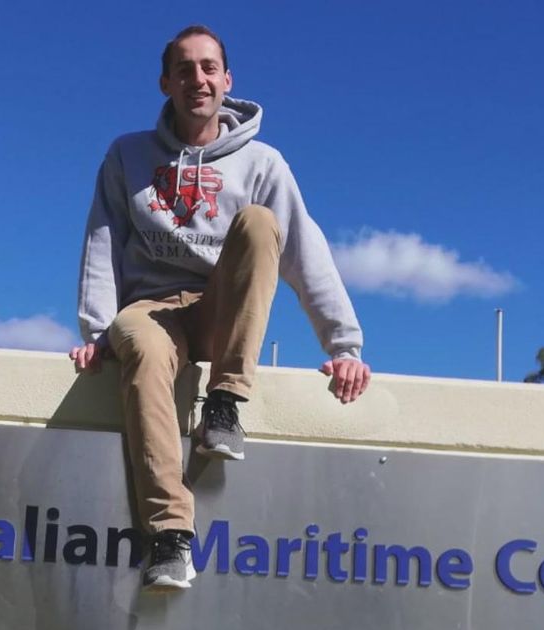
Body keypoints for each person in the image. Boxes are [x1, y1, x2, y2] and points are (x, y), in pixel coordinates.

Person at [71, 25, 371, 591]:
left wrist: (344, 346)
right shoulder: (127, 155)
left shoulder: (262, 163)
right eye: (184, 69)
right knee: (136, 343)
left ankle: (226, 405)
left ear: (227, 81)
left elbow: (305, 250)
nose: (197, 79)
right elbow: (102, 238)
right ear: (166, 83)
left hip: (220, 311)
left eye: (208, 68)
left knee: (261, 224)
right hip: (151, 311)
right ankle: (169, 536)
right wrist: (97, 328)